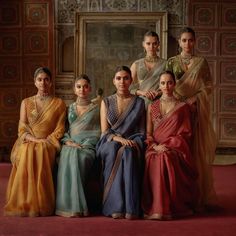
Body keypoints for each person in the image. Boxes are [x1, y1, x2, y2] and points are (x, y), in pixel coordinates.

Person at [166, 27, 217, 209]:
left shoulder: (201, 62)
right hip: (176, 110)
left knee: (193, 150)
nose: (187, 44)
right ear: (179, 42)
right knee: (178, 148)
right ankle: (177, 194)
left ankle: (194, 196)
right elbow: (165, 83)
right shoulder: (171, 62)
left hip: (194, 109)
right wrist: (178, 102)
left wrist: (195, 98)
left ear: (195, 42)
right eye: (184, 40)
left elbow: (209, 86)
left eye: (190, 40)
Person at [4, 67, 66, 216]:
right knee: (28, 149)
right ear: (35, 82)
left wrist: (46, 141)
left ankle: (41, 204)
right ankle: (24, 202)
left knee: (41, 149)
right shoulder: (26, 102)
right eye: (39, 79)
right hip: (28, 140)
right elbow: (22, 127)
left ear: (51, 82)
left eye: (46, 79)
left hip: (48, 142)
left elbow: (60, 128)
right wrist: (34, 139)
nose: (43, 83)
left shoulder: (59, 103)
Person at [142, 70, 199, 220]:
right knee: (154, 157)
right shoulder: (152, 106)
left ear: (174, 84)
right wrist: (154, 146)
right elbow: (148, 133)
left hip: (175, 148)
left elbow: (185, 134)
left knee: (165, 157)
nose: (166, 86)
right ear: (159, 85)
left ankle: (166, 208)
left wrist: (167, 145)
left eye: (169, 82)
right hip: (154, 147)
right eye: (162, 83)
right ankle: (155, 207)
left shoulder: (182, 107)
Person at [96, 66, 146, 219]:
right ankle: (113, 205)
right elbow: (105, 131)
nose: (122, 82)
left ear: (131, 80)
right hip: (110, 140)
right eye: (118, 78)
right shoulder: (106, 102)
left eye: (125, 78)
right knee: (112, 149)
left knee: (128, 151)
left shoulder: (139, 102)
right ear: (114, 81)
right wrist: (119, 139)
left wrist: (129, 141)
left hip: (133, 140)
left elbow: (142, 132)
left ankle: (130, 208)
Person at [56, 74, 101, 217]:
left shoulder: (97, 109)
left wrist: (86, 144)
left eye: (85, 86)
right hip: (70, 143)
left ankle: (78, 206)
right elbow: (63, 129)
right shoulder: (68, 108)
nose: (82, 89)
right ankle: (66, 206)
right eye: (79, 86)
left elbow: (99, 131)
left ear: (90, 89)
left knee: (78, 156)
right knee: (69, 153)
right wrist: (68, 141)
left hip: (87, 146)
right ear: (74, 89)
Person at [130, 31, 166, 106]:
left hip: (159, 103)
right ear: (143, 44)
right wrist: (143, 93)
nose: (151, 47)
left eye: (154, 43)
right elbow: (129, 88)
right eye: (148, 43)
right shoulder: (136, 64)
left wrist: (158, 93)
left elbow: (171, 86)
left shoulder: (165, 64)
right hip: (140, 104)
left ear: (158, 44)